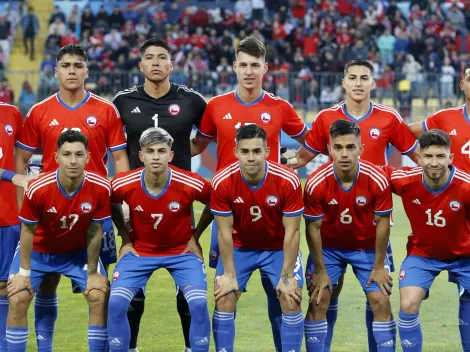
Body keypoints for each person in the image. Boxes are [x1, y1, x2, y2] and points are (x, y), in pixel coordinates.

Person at [283, 59, 417, 352]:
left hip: (372, 224)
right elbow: (302, 159)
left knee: (378, 296)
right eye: (352, 78)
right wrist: (272, 162)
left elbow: (420, 159)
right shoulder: (324, 119)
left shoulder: (389, 118)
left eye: (364, 78)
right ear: (343, 82)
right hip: (331, 227)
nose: (358, 83)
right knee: (323, 295)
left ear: (373, 83)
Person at [190, 36, 308, 351]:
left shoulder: (280, 107)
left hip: (272, 212)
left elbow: (311, 143)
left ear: (265, 68)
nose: (249, 71)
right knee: (224, 292)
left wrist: (292, 163)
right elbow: (196, 147)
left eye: (255, 65)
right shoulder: (216, 106)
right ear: (234, 67)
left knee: (284, 294)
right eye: (243, 65)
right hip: (229, 213)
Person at [14, 44, 130, 352]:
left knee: (100, 291)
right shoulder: (39, 111)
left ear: (87, 71)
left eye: (78, 65)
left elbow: (120, 163)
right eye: (66, 65)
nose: (72, 70)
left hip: (94, 215)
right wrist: (20, 207)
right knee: (44, 284)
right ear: (56, 71)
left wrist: (120, 202)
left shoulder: (106, 110)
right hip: (49, 213)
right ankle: (45, 347)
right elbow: (20, 160)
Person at [112, 38, 208, 352]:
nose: (156, 62)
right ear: (140, 65)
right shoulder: (123, 101)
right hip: (136, 200)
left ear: (171, 64)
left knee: (188, 288)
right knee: (132, 281)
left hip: (180, 198)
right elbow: (117, 150)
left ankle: (190, 346)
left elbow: (203, 141)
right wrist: (127, 189)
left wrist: (179, 158)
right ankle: (131, 346)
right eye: (149, 58)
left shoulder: (192, 100)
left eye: (162, 57)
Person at [108, 127, 212, 352]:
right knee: (116, 302)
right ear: (141, 155)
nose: (156, 156)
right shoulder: (123, 183)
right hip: (139, 252)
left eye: (162, 151)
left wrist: (195, 237)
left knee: (198, 303)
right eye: (150, 151)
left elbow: (215, 201)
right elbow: (111, 202)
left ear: (171, 155)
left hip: (182, 253)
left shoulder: (190, 182)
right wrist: (125, 238)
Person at [6, 130, 111, 352]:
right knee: (17, 297)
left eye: (78, 154)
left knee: (98, 295)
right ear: (56, 157)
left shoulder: (101, 188)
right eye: (67, 154)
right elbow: (27, 231)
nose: (73, 161)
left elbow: (95, 231)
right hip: (38, 251)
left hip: (77, 252)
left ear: (88, 157)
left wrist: (93, 273)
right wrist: (24, 274)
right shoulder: (38, 188)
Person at [303, 120, 396, 352]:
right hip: (329, 249)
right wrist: (321, 271)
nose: (344, 154)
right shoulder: (315, 183)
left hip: (367, 248)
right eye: (338, 147)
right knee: (319, 299)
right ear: (329, 149)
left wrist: (378, 266)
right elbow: (312, 229)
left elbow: (383, 223)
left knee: (381, 301)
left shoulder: (377, 179)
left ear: (361, 149)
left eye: (351, 147)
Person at [211, 124, 305, 352]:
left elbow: (292, 232)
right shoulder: (222, 181)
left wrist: (287, 275)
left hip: (277, 248)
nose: (251, 157)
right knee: (224, 296)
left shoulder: (287, 180)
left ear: (267, 151)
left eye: (256, 151)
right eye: (245, 152)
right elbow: (223, 232)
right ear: (236, 152)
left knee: (290, 297)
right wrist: (230, 275)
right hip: (239, 247)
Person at [383, 129, 470, 351]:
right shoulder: (404, 180)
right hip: (423, 254)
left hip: (465, 256)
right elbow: (369, 173)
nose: (434, 163)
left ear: (450, 158)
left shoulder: (466, 187)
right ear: (418, 157)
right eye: (428, 156)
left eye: (440, 156)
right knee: (408, 303)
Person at [0, 102, 35, 351]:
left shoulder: (11, 113)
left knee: (5, 286)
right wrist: (12, 176)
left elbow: (24, 157)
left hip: (8, 215)